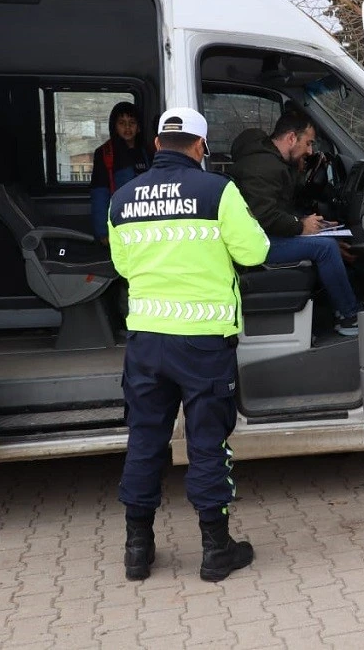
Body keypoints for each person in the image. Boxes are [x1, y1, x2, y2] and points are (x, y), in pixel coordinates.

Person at [108, 107, 270, 583]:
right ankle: (215, 551)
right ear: (200, 148)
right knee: (206, 444)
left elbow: (122, 265)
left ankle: (137, 550)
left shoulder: (122, 198)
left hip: (146, 343)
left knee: (145, 440)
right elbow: (255, 251)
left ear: (157, 144)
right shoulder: (218, 191)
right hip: (202, 344)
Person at [229, 107, 360, 337]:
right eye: (308, 143)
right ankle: (349, 317)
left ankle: (341, 306)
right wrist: (301, 226)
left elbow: (280, 204)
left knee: (326, 239)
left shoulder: (269, 160)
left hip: (263, 235)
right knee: (327, 249)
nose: (309, 151)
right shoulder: (263, 166)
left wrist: (310, 223)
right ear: (291, 138)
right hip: (259, 243)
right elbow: (265, 215)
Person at [91, 101, 151, 245]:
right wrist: (103, 231)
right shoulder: (105, 153)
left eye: (132, 122)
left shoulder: (148, 152)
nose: (127, 127)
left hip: (147, 222)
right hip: (120, 223)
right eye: (122, 123)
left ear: (139, 127)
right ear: (114, 126)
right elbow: (100, 194)